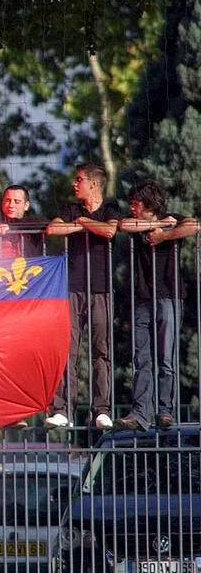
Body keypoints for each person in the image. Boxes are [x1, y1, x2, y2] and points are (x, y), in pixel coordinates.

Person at [115, 181, 199, 430]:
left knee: (166, 357)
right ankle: (140, 413)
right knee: (141, 357)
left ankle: (165, 411)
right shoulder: (143, 223)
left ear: (149, 204)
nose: (132, 207)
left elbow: (194, 225)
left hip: (169, 294)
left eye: (136, 203)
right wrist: (158, 226)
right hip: (143, 296)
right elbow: (123, 225)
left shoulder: (174, 219)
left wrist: (165, 234)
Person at [45, 164, 122, 430]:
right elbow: (52, 230)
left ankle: (101, 409)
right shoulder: (71, 209)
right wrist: (85, 226)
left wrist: (83, 223)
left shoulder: (110, 207)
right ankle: (62, 409)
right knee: (68, 349)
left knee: (102, 349)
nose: (74, 184)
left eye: (79, 180)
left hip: (100, 288)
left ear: (94, 184)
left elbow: (110, 230)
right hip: (73, 287)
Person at [0, 184, 47, 259]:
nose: (11, 205)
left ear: (26, 205)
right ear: (2, 203)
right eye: (7, 200)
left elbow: (48, 224)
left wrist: (11, 227)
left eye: (17, 201)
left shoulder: (34, 221)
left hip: (29, 269)